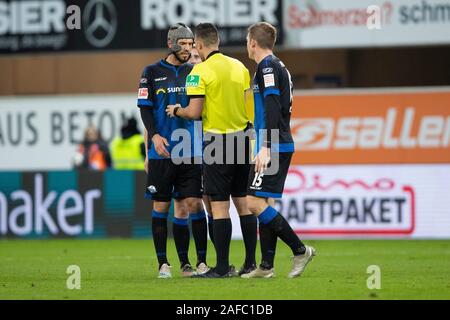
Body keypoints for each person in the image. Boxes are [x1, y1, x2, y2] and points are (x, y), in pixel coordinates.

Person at [166, 23, 257, 278]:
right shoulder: (240, 67)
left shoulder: (198, 71)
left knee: (218, 207)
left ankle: (221, 267)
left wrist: (176, 110)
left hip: (217, 141)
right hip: (243, 138)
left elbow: (194, 113)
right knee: (244, 204)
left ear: (200, 45)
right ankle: (251, 264)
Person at [242, 22, 316, 279]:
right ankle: (267, 266)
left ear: (253, 42)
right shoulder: (275, 65)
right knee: (265, 202)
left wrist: (264, 146)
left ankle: (300, 250)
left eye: (247, 40)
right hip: (276, 142)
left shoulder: (267, 67)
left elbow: (273, 107)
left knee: (253, 202)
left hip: (272, 144)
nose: (246, 45)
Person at [137, 23, 209, 278]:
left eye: (191, 44)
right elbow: (145, 109)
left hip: (191, 150)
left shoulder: (196, 72)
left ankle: (200, 263)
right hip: (162, 152)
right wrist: (153, 138)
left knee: (193, 204)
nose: (188, 49)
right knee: (161, 207)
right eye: (183, 44)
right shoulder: (151, 72)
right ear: (171, 44)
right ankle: (163, 264)